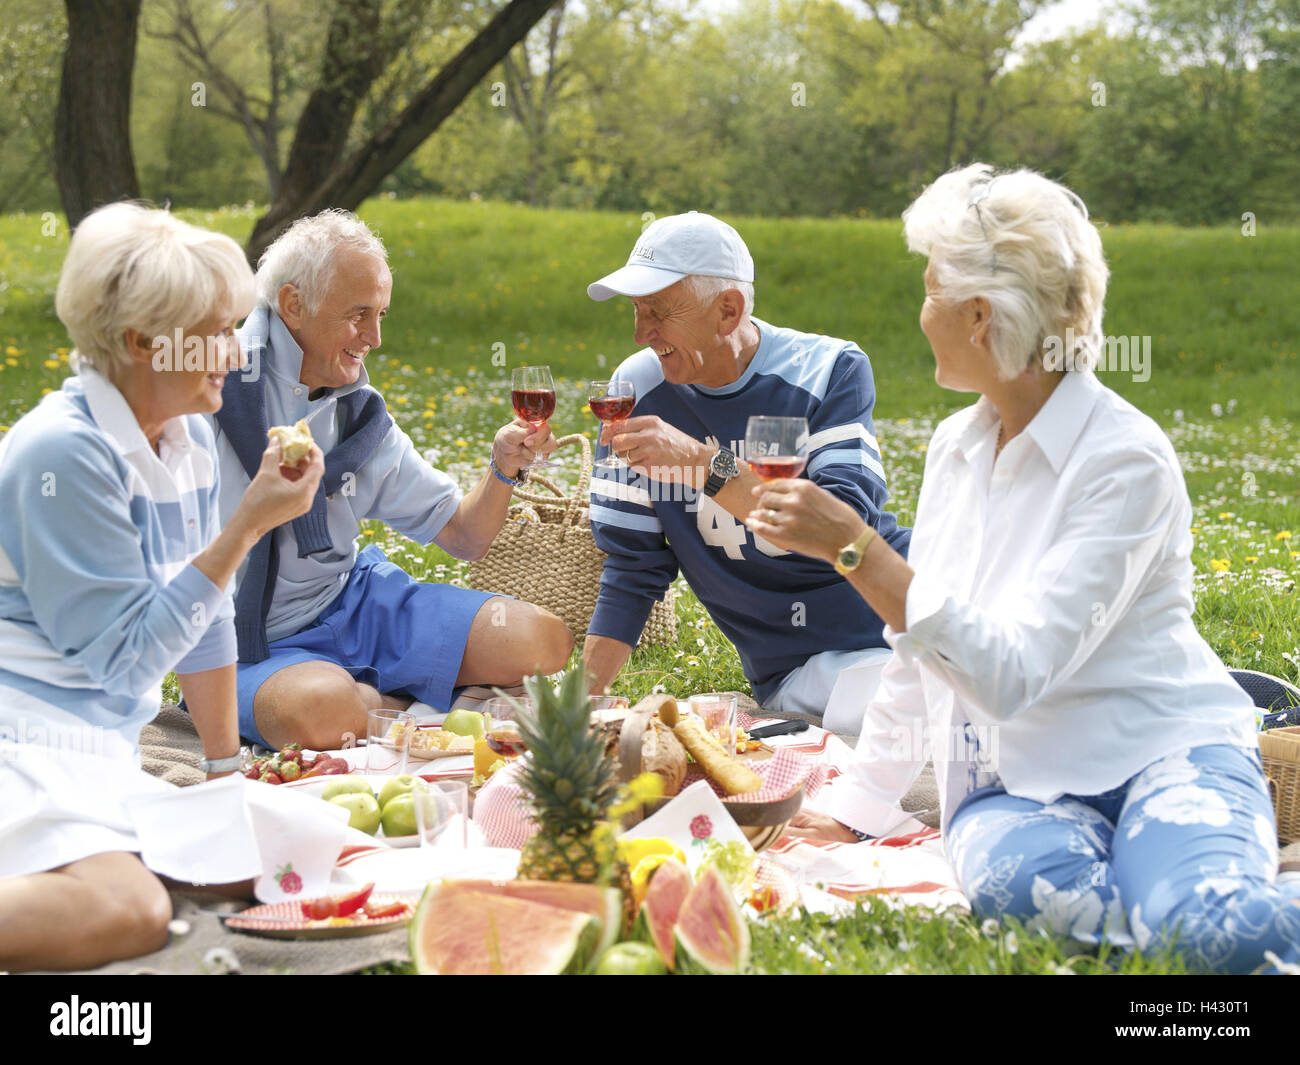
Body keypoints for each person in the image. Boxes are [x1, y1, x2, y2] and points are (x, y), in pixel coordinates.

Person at [754, 164, 1300, 973]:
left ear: (979, 316)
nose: (919, 310)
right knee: (1050, 901)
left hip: (1164, 751)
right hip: (1014, 785)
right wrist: (858, 807)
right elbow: (920, 655)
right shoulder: (955, 447)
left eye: (930, 288)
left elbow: (1015, 674)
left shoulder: (1125, 460)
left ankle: (1208, 899)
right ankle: (1193, 896)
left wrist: (857, 550)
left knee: (1217, 937)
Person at [0, 203, 325, 971]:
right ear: (144, 341)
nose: (237, 353)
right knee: (133, 912)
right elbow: (125, 659)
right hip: (28, 740)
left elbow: (205, 620)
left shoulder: (186, 437)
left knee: (292, 856)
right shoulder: (62, 456)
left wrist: (222, 773)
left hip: (101, 748)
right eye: (216, 331)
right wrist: (244, 529)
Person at [209, 210, 573, 752]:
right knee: (320, 712)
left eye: (381, 315)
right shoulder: (208, 392)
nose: (375, 338)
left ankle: (375, 705)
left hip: (355, 604)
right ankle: (405, 703)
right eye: (359, 316)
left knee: (543, 639)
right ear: (293, 305)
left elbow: (464, 536)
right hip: (253, 641)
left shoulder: (359, 415)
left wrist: (503, 467)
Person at [581, 211, 910, 730]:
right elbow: (631, 568)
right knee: (908, 714)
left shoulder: (829, 370)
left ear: (728, 311)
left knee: (999, 691)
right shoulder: (635, 390)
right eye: (637, 311)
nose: (642, 332)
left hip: (903, 616)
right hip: (803, 671)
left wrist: (699, 463)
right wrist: (579, 706)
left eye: (660, 312)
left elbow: (842, 524)